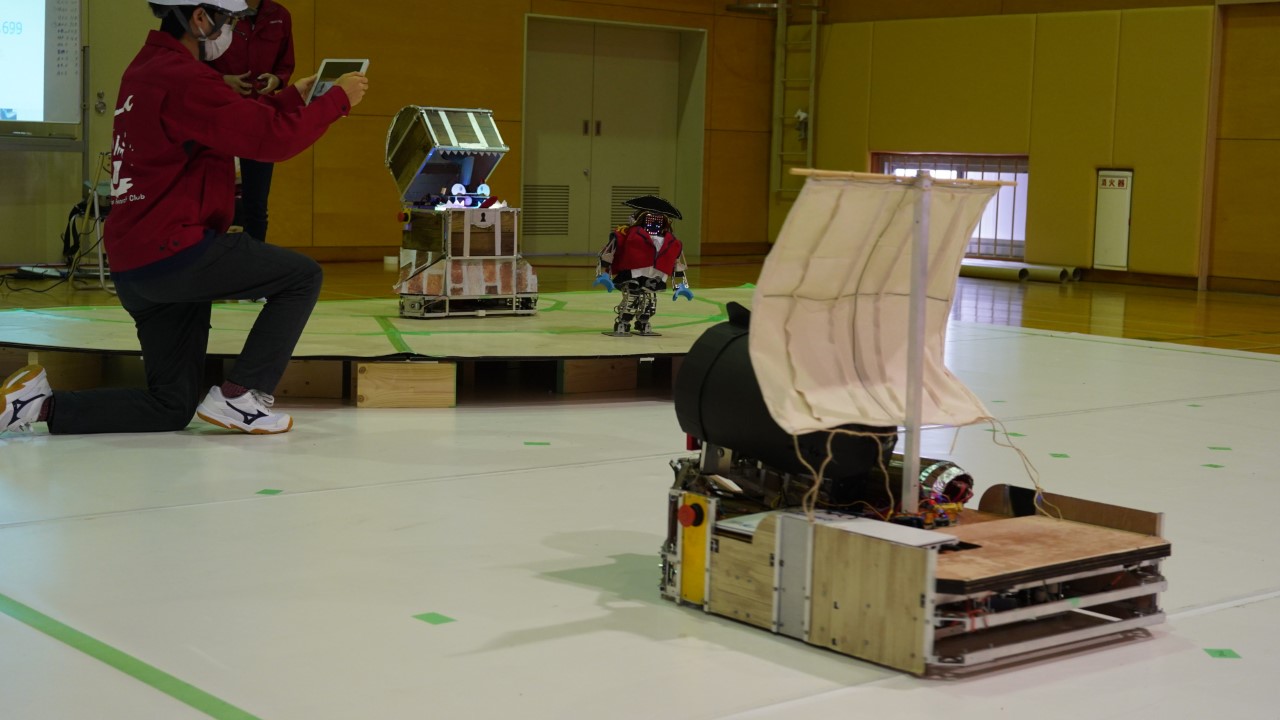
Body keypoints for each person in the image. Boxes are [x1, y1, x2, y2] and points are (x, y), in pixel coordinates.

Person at [0, 0, 369, 436]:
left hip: (138, 267)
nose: (231, 31)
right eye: (228, 20)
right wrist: (337, 101)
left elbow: (233, 120)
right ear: (200, 17)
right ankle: (242, 396)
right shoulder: (185, 78)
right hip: (175, 253)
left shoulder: (146, 69)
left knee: (170, 406)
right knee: (302, 277)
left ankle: (37, 406)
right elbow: (270, 139)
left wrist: (294, 98)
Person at [208, 0, 293, 243]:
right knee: (215, 198)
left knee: (256, 203)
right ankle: (210, 257)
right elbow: (196, 61)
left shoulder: (280, 15)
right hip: (221, 112)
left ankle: (255, 258)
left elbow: (285, 63)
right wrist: (222, 80)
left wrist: (277, 79)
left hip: (260, 114)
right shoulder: (218, 8)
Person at [594, 195, 694, 337]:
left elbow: (675, 263)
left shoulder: (671, 242)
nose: (654, 225)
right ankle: (623, 322)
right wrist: (604, 273)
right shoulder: (629, 234)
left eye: (658, 221)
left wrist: (680, 285)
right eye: (650, 220)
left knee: (650, 302)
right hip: (633, 274)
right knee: (631, 298)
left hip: (655, 276)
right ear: (641, 219)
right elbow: (610, 251)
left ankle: (643, 322)